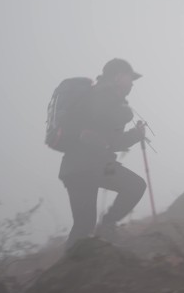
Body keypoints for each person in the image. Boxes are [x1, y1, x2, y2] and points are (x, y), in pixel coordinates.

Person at [58, 58, 147, 249]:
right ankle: (107, 226)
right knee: (135, 186)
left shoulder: (105, 97)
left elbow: (109, 141)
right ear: (118, 76)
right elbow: (102, 117)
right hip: (89, 167)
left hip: (79, 169)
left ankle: (68, 269)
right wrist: (126, 114)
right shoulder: (102, 95)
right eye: (130, 78)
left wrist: (134, 135)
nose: (132, 83)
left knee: (83, 226)